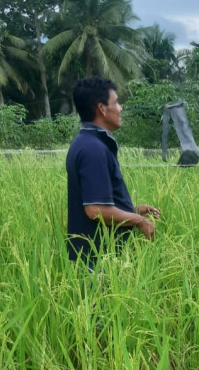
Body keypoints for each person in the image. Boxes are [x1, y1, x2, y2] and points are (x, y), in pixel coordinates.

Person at [66, 76, 161, 267]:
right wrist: (138, 221)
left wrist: (133, 210)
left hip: (99, 256)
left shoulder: (87, 143)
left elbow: (97, 203)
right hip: (99, 260)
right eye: (116, 102)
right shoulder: (93, 149)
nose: (120, 108)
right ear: (102, 108)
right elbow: (95, 210)